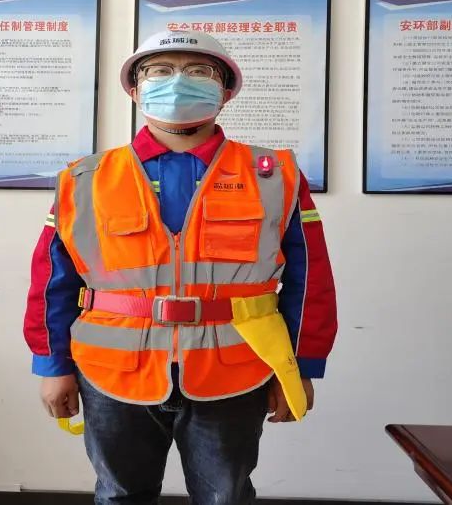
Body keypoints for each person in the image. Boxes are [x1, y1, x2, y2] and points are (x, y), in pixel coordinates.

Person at [24, 29, 337, 505]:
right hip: (112, 372)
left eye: (199, 71)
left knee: (226, 497)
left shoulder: (276, 175)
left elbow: (310, 279)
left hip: (235, 369)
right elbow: (52, 282)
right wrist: (52, 365)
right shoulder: (84, 179)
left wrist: (300, 366)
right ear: (135, 89)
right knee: (120, 496)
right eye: (160, 71)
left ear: (225, 91)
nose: (178, 81)